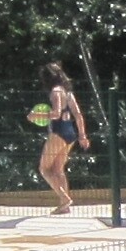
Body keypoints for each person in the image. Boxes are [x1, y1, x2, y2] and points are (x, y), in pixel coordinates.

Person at [37, 63, 88, 213]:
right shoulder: (68, 92)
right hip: (70, 133)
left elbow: (56, 114)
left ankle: (64, 198)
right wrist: (82, 135)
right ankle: (64, 205)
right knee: (58, 169)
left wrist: (35, 115)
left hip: (58, 132)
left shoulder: (55, 92)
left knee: (44, 169)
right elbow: (78, 115)